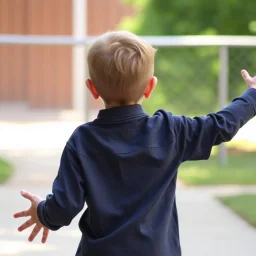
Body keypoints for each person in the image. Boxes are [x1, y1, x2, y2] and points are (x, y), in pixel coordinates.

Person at [14, 31, 256, 256]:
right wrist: (252, 96)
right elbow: (219, 126)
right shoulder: (170, 130)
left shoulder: (82, 141)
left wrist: (43, 213)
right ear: (150, 87)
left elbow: (64, 207)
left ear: (92, 88)